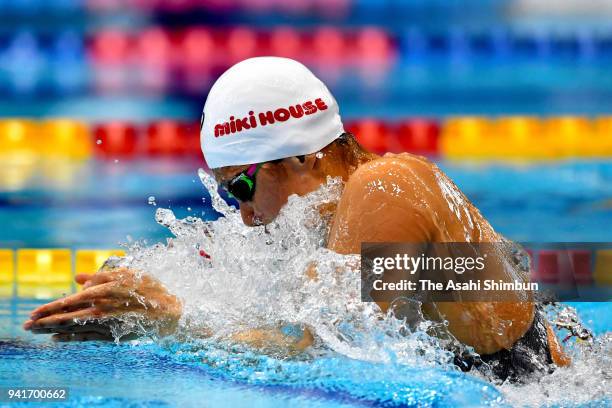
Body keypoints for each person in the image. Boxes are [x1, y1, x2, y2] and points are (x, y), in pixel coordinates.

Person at [23, 57, 569, 382]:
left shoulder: (386, 187)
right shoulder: (338, 215)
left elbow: (337, 346)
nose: (242, 214)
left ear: (303, 155)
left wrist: (176, 317)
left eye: (241, 185)